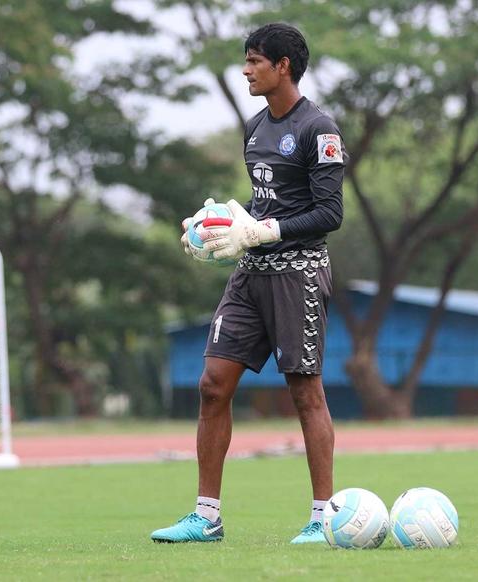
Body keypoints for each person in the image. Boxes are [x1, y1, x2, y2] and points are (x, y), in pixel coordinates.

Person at [151, 22, 347, 544]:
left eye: (256, 60)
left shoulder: (319, 130)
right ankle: (206, 517)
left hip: (299, 274)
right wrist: (217, 222)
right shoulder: (256, 127)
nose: (246, 70)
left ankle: (323, 517)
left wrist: (265, 230)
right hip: (251, 274)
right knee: (213, 385)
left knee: (305, 393)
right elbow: (263, 204)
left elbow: (330, 213)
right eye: (246, 60)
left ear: (283, 66)